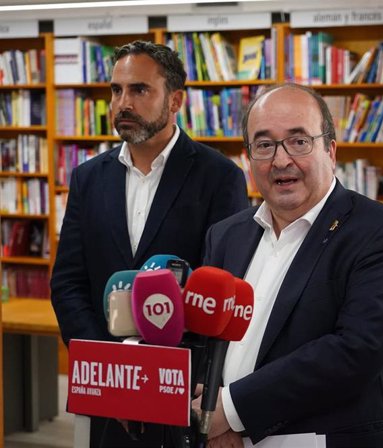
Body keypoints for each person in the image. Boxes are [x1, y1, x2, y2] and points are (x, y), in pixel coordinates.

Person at [50, 40, 249, 446]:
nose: (123, 102)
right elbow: (68, 283)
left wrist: (151, 378)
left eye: (140, 90)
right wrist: (113, 369)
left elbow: (221, 290)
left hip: (183, 391)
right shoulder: (88, 178)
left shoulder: (219, 177)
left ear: (175, 100)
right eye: (116, 90)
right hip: (105, 386)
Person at [196, 83, 383, 447]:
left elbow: (356, 350)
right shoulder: (225, 235)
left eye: (299, 141)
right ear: (248, 158)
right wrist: (208, 416)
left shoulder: (379, 231)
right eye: (264, 145)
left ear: (331, 150)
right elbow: (204, 338)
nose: (281, 160)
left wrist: (230, 412)